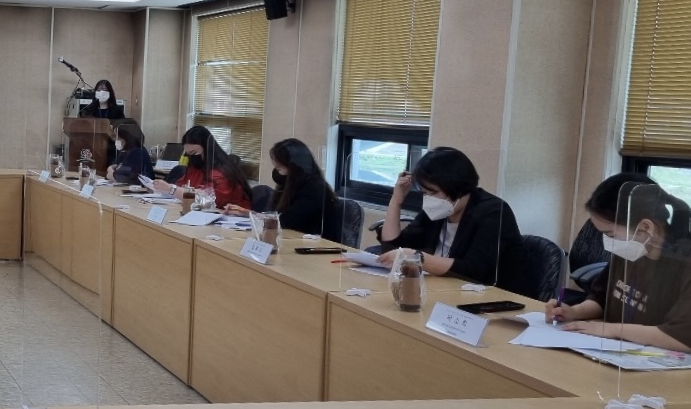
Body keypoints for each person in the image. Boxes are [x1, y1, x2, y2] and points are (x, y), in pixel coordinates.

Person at [546, 174, 691, 353]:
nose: (606, 241)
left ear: (646, 227)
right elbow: (602, 298)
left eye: (610, 234)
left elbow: (682, 338)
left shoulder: (683, 265)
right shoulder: (632, 251)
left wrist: (611, 330)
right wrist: (574, 312)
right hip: (617, 352)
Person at [377, 146, 528, 294]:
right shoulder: (437, 211)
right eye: (423, 193)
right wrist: (396, 200)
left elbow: (474, 271)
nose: (428, 199)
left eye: (433, 192)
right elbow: (393, 248)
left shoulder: (493, 212)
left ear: (458, 187)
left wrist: (417, 258)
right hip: (445, 290)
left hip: (490, 297)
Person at [255, 138, 341, 238]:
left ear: (294, 164)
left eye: (280, 163)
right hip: (294, 237)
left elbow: (288, 221)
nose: (275, 164)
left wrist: (262, 219)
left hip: (315, 242)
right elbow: (276, 215)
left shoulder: (314, 188)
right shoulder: (290, 183)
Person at [153, 125, 250, 211]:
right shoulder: (195, 167)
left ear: (207, 148)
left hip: (229, 218)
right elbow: (183, 186)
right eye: (188, 154)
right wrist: (165, 188)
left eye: (194, 153)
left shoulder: (221, 172)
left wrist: (172, 189)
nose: (191, 157)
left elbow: (208, 200)